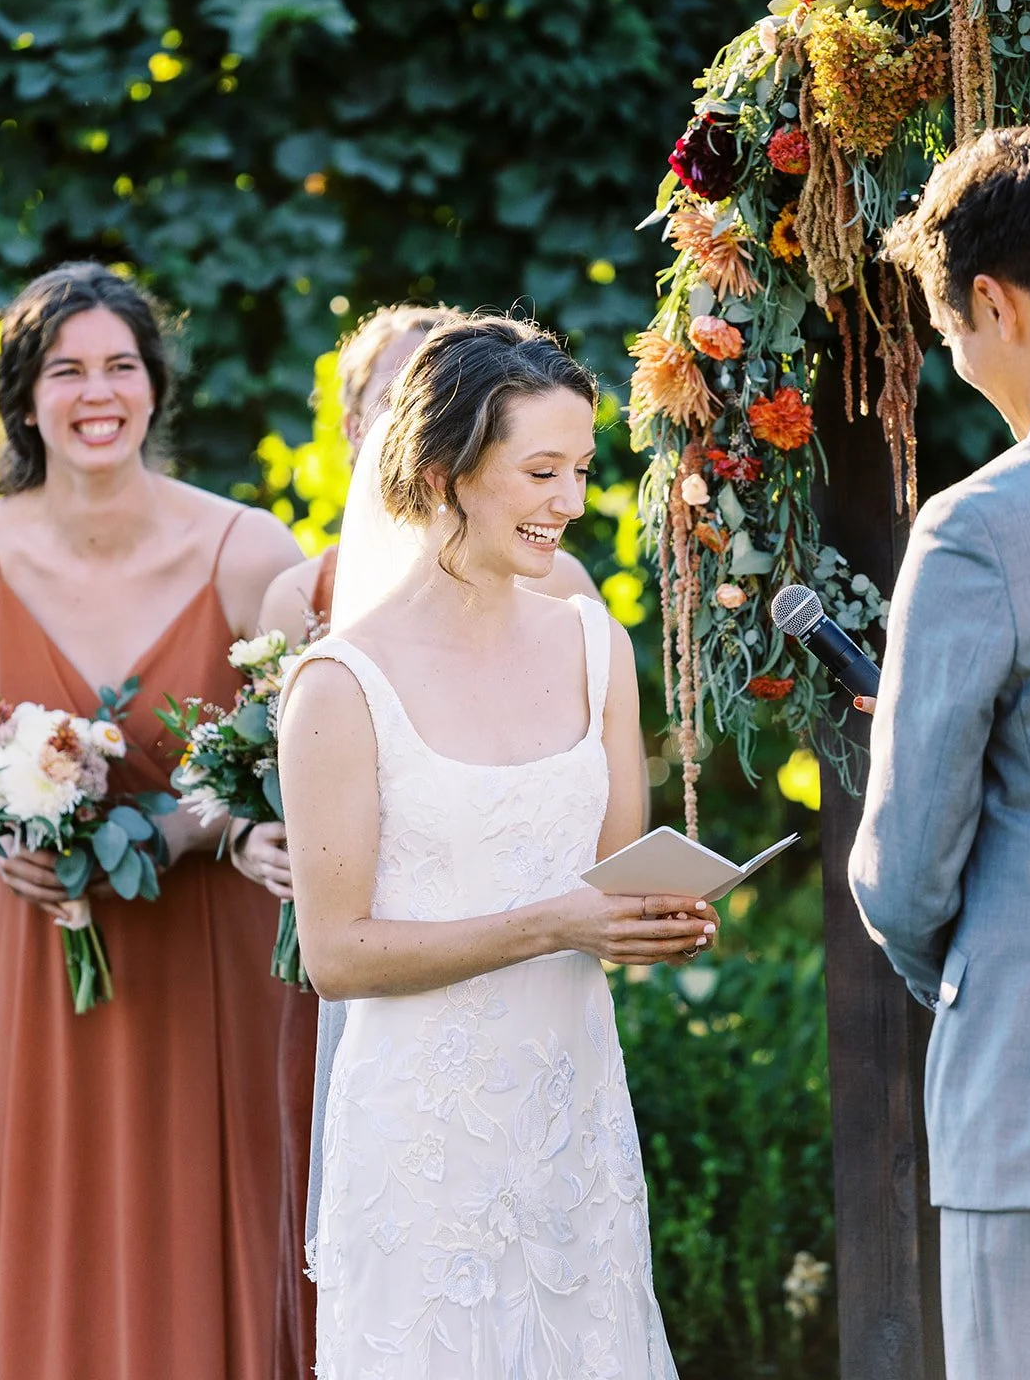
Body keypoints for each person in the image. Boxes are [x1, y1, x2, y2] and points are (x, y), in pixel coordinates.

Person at [277, 313, 714, 1379]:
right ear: (447, 472)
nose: (572, 501)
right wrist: (552, 922)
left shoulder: (594, 646)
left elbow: (612, 887)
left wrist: (660, 919)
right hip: (426, 1138)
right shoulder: (340, 686)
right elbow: (337, 956)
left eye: (580, 469)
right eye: (542, 470)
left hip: (575, 1117)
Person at [0, 263, 302, 1380]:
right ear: (26, 396)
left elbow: (314, 755)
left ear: (154, 386)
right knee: (58, 1223)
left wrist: (211, 827)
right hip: (47, 961)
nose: (98, 394)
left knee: (219, 1215)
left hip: (215, 961)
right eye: (67, 370)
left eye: (120, 367)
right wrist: (6, 846)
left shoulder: (250, 552)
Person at [847, 126, 1030, 1380]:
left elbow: (905, 871)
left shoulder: (985, 527)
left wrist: (959, 974)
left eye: (948, 331)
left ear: (990, 302)